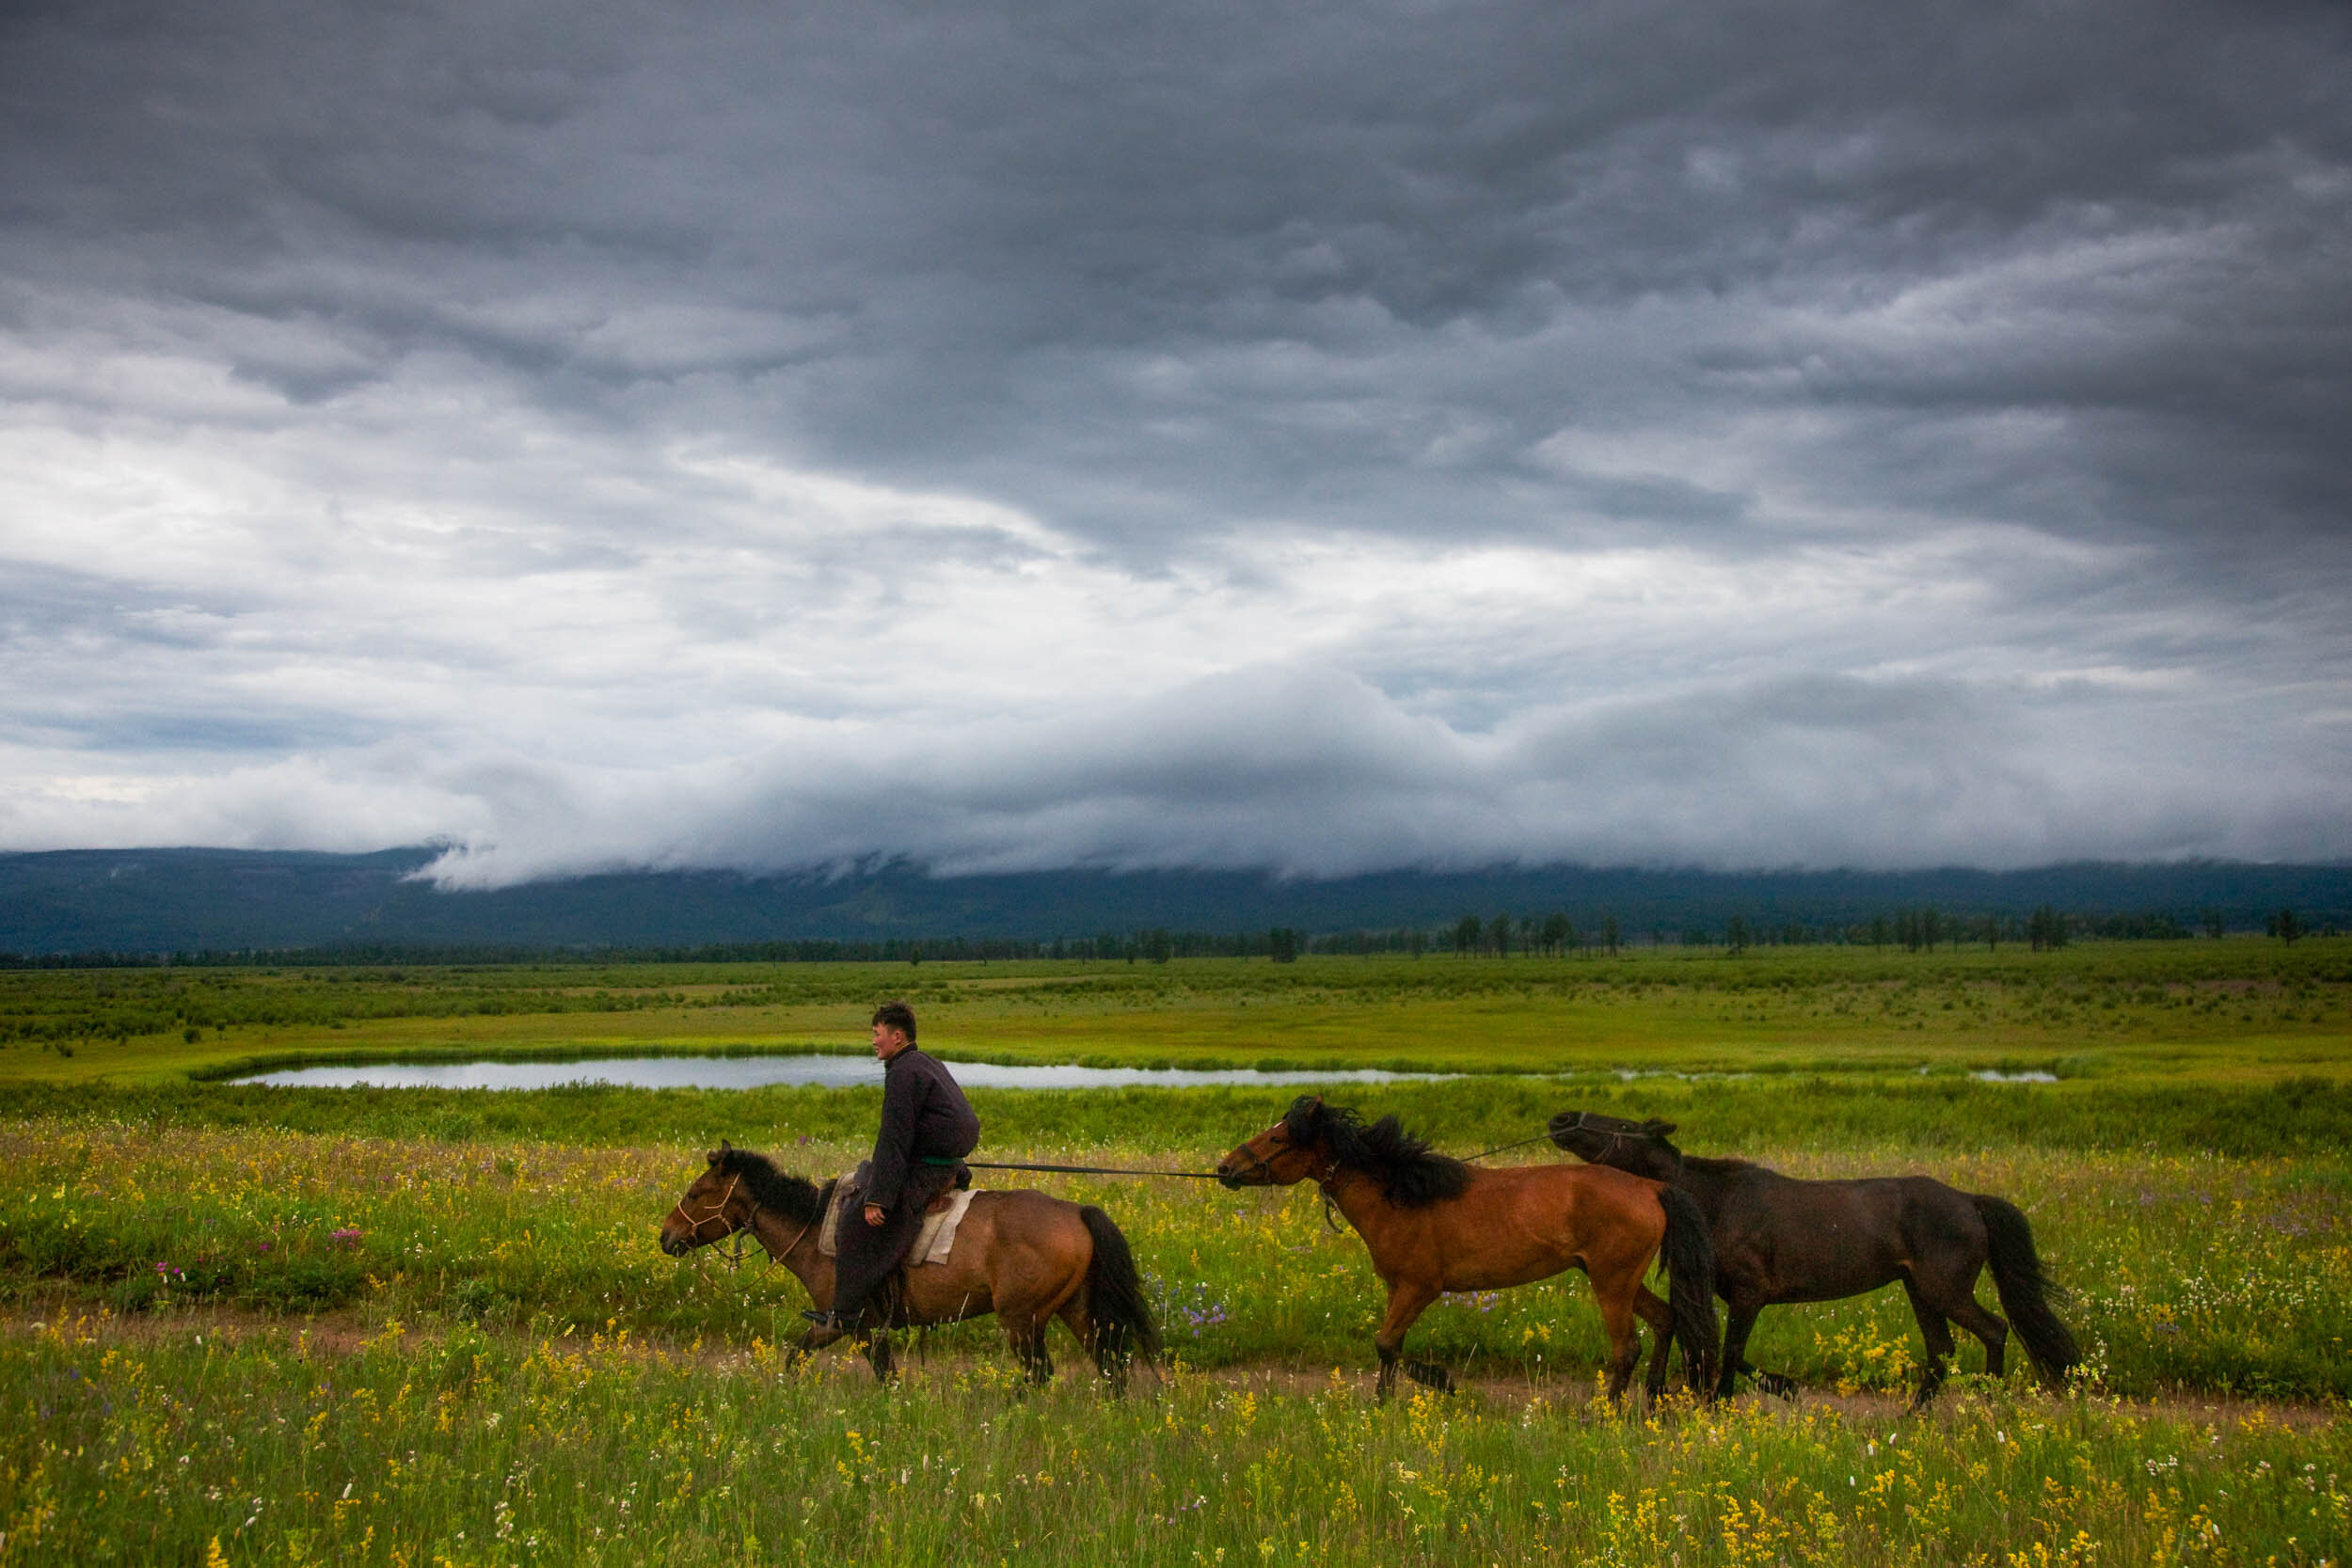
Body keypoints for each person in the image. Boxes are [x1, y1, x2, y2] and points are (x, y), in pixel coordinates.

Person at [804, 1001, 980, 1335]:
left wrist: (878, 1199)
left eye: (877, 1034)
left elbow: (894, 1139)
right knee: (867, 1174)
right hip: (942, 1162)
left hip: (928, 1169)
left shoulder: (903, 1073)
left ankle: (846, 1312)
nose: (873, 1041)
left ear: (897, 1036)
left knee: (857, 1223)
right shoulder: (923, 1062)